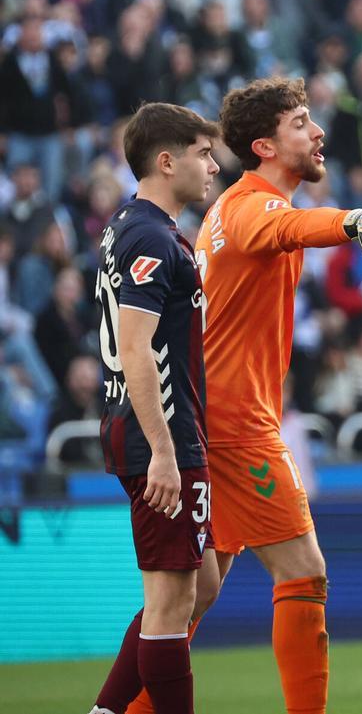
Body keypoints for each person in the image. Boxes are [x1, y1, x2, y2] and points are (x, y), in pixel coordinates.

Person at [118, 78, 362, 714]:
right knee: (304, 571)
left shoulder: (225, 211)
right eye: (302, 122)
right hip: (233, 423)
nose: (318, 131)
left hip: (208, 416)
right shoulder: (251, 207)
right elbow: (295, 228)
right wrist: (358, 221)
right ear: (265, 146)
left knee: (192, 593)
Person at [88, 102, 221, 714]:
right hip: (158, 436)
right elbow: (137, 350)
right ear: (166, 162)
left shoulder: (131, 226)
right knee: (171, 602)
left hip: (152, 431)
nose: (213, 165)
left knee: (200, 586)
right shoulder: (149, 235)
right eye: (201, 152)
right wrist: (165, 450)